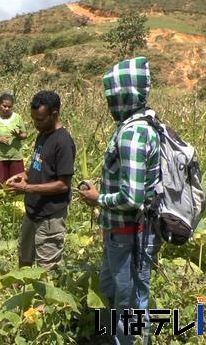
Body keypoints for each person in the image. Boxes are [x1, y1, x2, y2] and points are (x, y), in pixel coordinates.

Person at [78, 57, 161, 345]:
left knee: (129, 301)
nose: (109, 102)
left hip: (129, 235)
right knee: (119, 293)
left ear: (125, 94)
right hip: (124, 232)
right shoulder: (140, 124)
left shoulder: (132, 133)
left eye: (112, 95)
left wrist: (97, 197)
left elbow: (132, 197)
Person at [4, 91, 75, 270]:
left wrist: (27, 188)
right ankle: (22, 292)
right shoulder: (42, 134)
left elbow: (63, 185)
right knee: (24, 255)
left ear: (55, 114)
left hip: (50, 215)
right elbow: (38, 167)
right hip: (33, 210)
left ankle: (46, 298)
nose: (36, 124)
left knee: (48, 266)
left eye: (41, 119)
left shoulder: (63, 142)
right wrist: (22, 176)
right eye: (34, 119)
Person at [0, 93, 28, 186]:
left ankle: (16, 200)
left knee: (18, 182)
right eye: (4, 106)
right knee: (2, 184)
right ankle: (3, 200)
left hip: (15, 155)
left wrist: (18, 135)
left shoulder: (17, 118)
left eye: (9, 107)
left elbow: (25, 135)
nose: (7, 109)